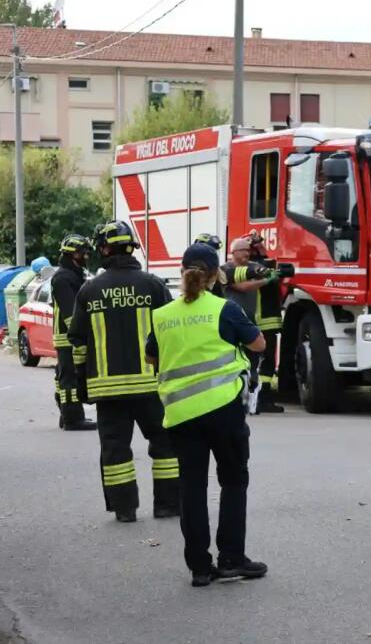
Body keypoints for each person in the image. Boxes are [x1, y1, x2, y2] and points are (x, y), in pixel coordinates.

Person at [147, 242, 268, 587]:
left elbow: (151, 358)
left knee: (192, 487)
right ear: (215, 275)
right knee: (232, 480)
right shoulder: (223, 309)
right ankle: (231, 557)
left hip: (181, 414)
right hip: (223, 410)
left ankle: (200, 567)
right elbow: (258, 343)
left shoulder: (163, 315)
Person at [67, 221, 179, 522]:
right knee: (165, 444)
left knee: (115, 451)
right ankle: (168, 504)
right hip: (152, 386)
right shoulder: (153, 285)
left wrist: (82, 384)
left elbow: (76, 340)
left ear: (104, 249)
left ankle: (124, 509)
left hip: (109, 391)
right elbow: (170, 332)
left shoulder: (89, 290)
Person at [221, 237, 282, 414]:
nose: (247, 253)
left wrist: (265, 259)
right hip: (232, 322)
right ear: (233, 253)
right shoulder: (227, 269)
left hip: (249, 321)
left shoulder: (253, 265)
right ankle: (233, 398)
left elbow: (263, 268)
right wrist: (267, 280)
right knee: (234, 360)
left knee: (252, 361)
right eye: (243, 250)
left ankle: (251, 400)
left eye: (248, 250)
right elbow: (244, 286)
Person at [51, 234, 97, 431]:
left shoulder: (72, 275)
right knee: (69, 379)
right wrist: (81, 337)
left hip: (70, 337)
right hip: (67, 338)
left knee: (65, 377)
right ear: (72, 255)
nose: (85, 256)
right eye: (82, 253)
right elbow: (71, 314)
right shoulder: (63, 278)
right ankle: (72, 418)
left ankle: (67, 414)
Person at [246, 231, 285, 413]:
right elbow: (272, 275)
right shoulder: (257, 268)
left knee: (260, 362)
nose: (263, 246)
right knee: (266, 361)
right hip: (264, 321)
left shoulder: (256, 266)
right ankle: (263, 399)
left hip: (260, 321)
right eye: (258, 244)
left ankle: (257, 398)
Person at [193, 233, 228, 298]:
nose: (213, 254)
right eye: (210, 251)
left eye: (214, 251)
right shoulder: (194, 271)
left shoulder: (219, 271)